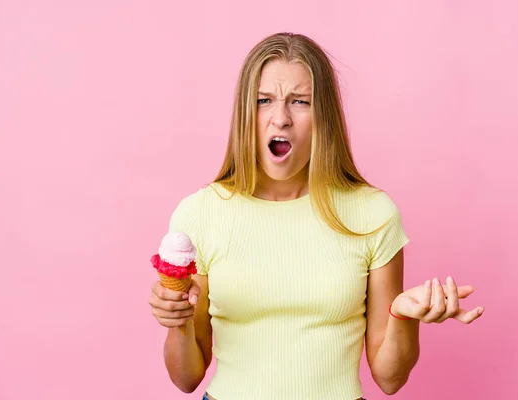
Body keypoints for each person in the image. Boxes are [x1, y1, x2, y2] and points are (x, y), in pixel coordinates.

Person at [148, 32, 484, 400]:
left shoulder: (372, 214)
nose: (281, 118)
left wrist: (403, 316)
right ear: (246, 112)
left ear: (323, 115)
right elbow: (186, 378)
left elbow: (390, 379)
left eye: (300, 102)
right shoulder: (199, 215)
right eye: (263, 100)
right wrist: (176, 320)